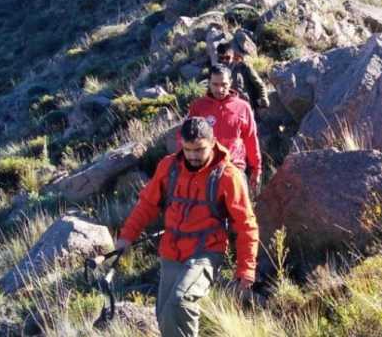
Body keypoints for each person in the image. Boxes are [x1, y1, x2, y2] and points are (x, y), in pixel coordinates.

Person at [111, 117, 259, 337]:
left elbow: (246, 225)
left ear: (213, 142)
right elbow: (147, 205)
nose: (193, 156)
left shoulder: (228, 176)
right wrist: (126, 237)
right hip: (171, 252)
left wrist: (246, 269)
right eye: (188, 149)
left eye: (199, 150)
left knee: (181, 302)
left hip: (206, 252)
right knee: (164, 315)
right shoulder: (168, 167)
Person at [187, 64, 262, 192]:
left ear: (231, 83)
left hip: (234, 169)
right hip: (204, 170)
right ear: (209, 83)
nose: (220, 89)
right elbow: (186, 137)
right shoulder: (198, 106)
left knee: (238, 211)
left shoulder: (243, 107)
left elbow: (251, 139)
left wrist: (256, 168)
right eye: (215, 84)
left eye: (224, 84)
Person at [215, 41, 269, 109]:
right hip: (226, 108)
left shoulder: (243, 67)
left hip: (245, 106)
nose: (224, 61)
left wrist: (264, 98)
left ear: (232, 55)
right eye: (221, 58)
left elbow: (259, 84)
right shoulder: (216, 71)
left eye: (227, 58)